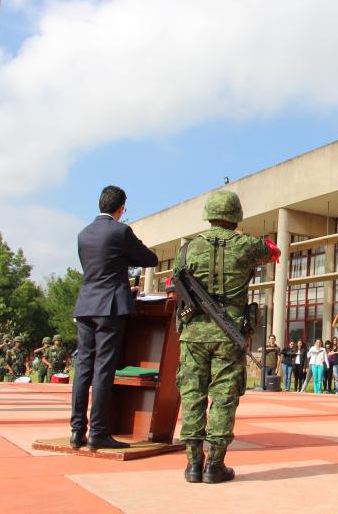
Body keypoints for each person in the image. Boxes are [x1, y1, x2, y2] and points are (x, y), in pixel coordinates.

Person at [173, 190, 275, 483]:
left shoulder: (187, 249)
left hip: (192, 333)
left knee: (192, 395)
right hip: (228, 332)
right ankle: (214, 465)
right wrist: (242, 236)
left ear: (209, 215)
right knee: (224, 397)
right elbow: (271, 250)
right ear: (236, 216)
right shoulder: (246, 245)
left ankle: (193, 464)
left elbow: (178, 282)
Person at [71, 185, 159, 451]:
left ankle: (77, 431)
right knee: (104, 369)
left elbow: (96, 268)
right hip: (109, 307)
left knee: (83, 368)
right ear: (121, 208)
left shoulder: (83, 233)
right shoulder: (120, 231)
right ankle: (98, 432)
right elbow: (150, 259)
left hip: (86, 304)